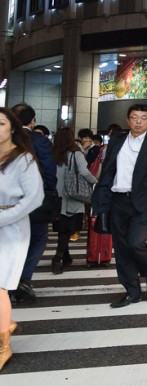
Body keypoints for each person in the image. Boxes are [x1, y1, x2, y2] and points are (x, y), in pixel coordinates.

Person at [91, 103, 147, 308]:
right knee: (122, 249)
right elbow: (108, 171)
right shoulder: (117, 141)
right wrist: (102, 201)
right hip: (118, 201)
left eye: (143, 118)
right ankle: (132, 292)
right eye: (134, 117)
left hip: (144, 203)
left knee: (136, 243)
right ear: (128, 120)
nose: (138, 121)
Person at [0, 107, 44, 371]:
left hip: (12, 227)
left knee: (0, 286)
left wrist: (4, 218)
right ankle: (5, 322)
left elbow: (34, 198)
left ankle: (3, 344)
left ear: (13, 128)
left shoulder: (23, 159)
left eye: (1, 123)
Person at [10, 103, 57, 307]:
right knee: (38, 238)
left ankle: (9, 283)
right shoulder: (39, 140)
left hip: (7, 201)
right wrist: (48, 191)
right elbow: (48, 170)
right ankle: (23, 279)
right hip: (33, 201)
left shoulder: (5, 139)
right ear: (32, 121)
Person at [52, 127, 97, 274]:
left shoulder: (54, 154)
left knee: (62, 228)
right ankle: (58, 258)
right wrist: (95, 181)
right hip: (72, 195)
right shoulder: (76, 154)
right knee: (67, 229)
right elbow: (84, 172)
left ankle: (66, 257)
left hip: (56, 196)